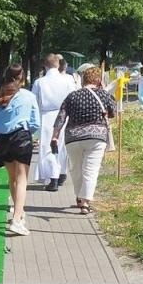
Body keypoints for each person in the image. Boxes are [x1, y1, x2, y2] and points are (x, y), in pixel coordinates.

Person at [0, 65, 40, 237]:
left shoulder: (0, 96)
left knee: (12, 179)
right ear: (22, 77)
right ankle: (17, 219)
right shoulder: (28, 96)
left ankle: (19, 212)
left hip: (4, 140)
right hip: (21, 137)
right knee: (22, 180)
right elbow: (35, 123)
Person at [51, 67, 118, 216]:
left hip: (73, 137)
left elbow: (61, 117)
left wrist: (55, 136)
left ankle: (80, 197)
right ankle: (85, 202)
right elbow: (112, 113)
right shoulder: (104, 95)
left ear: (83, 80)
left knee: (75, 169)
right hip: (96, 137)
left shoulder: (72, 96)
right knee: (91, 170)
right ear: (99, 80)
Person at [32, 53, 76, 190]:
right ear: (58, 65)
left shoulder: (40, 82)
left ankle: (53, 178)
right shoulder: (67, 81)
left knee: (48, 147)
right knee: (62, 146)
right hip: (64, 115)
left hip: (46, 116)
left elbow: (34, 102)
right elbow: (73, 98)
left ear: (45, 66)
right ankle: (62, 172)